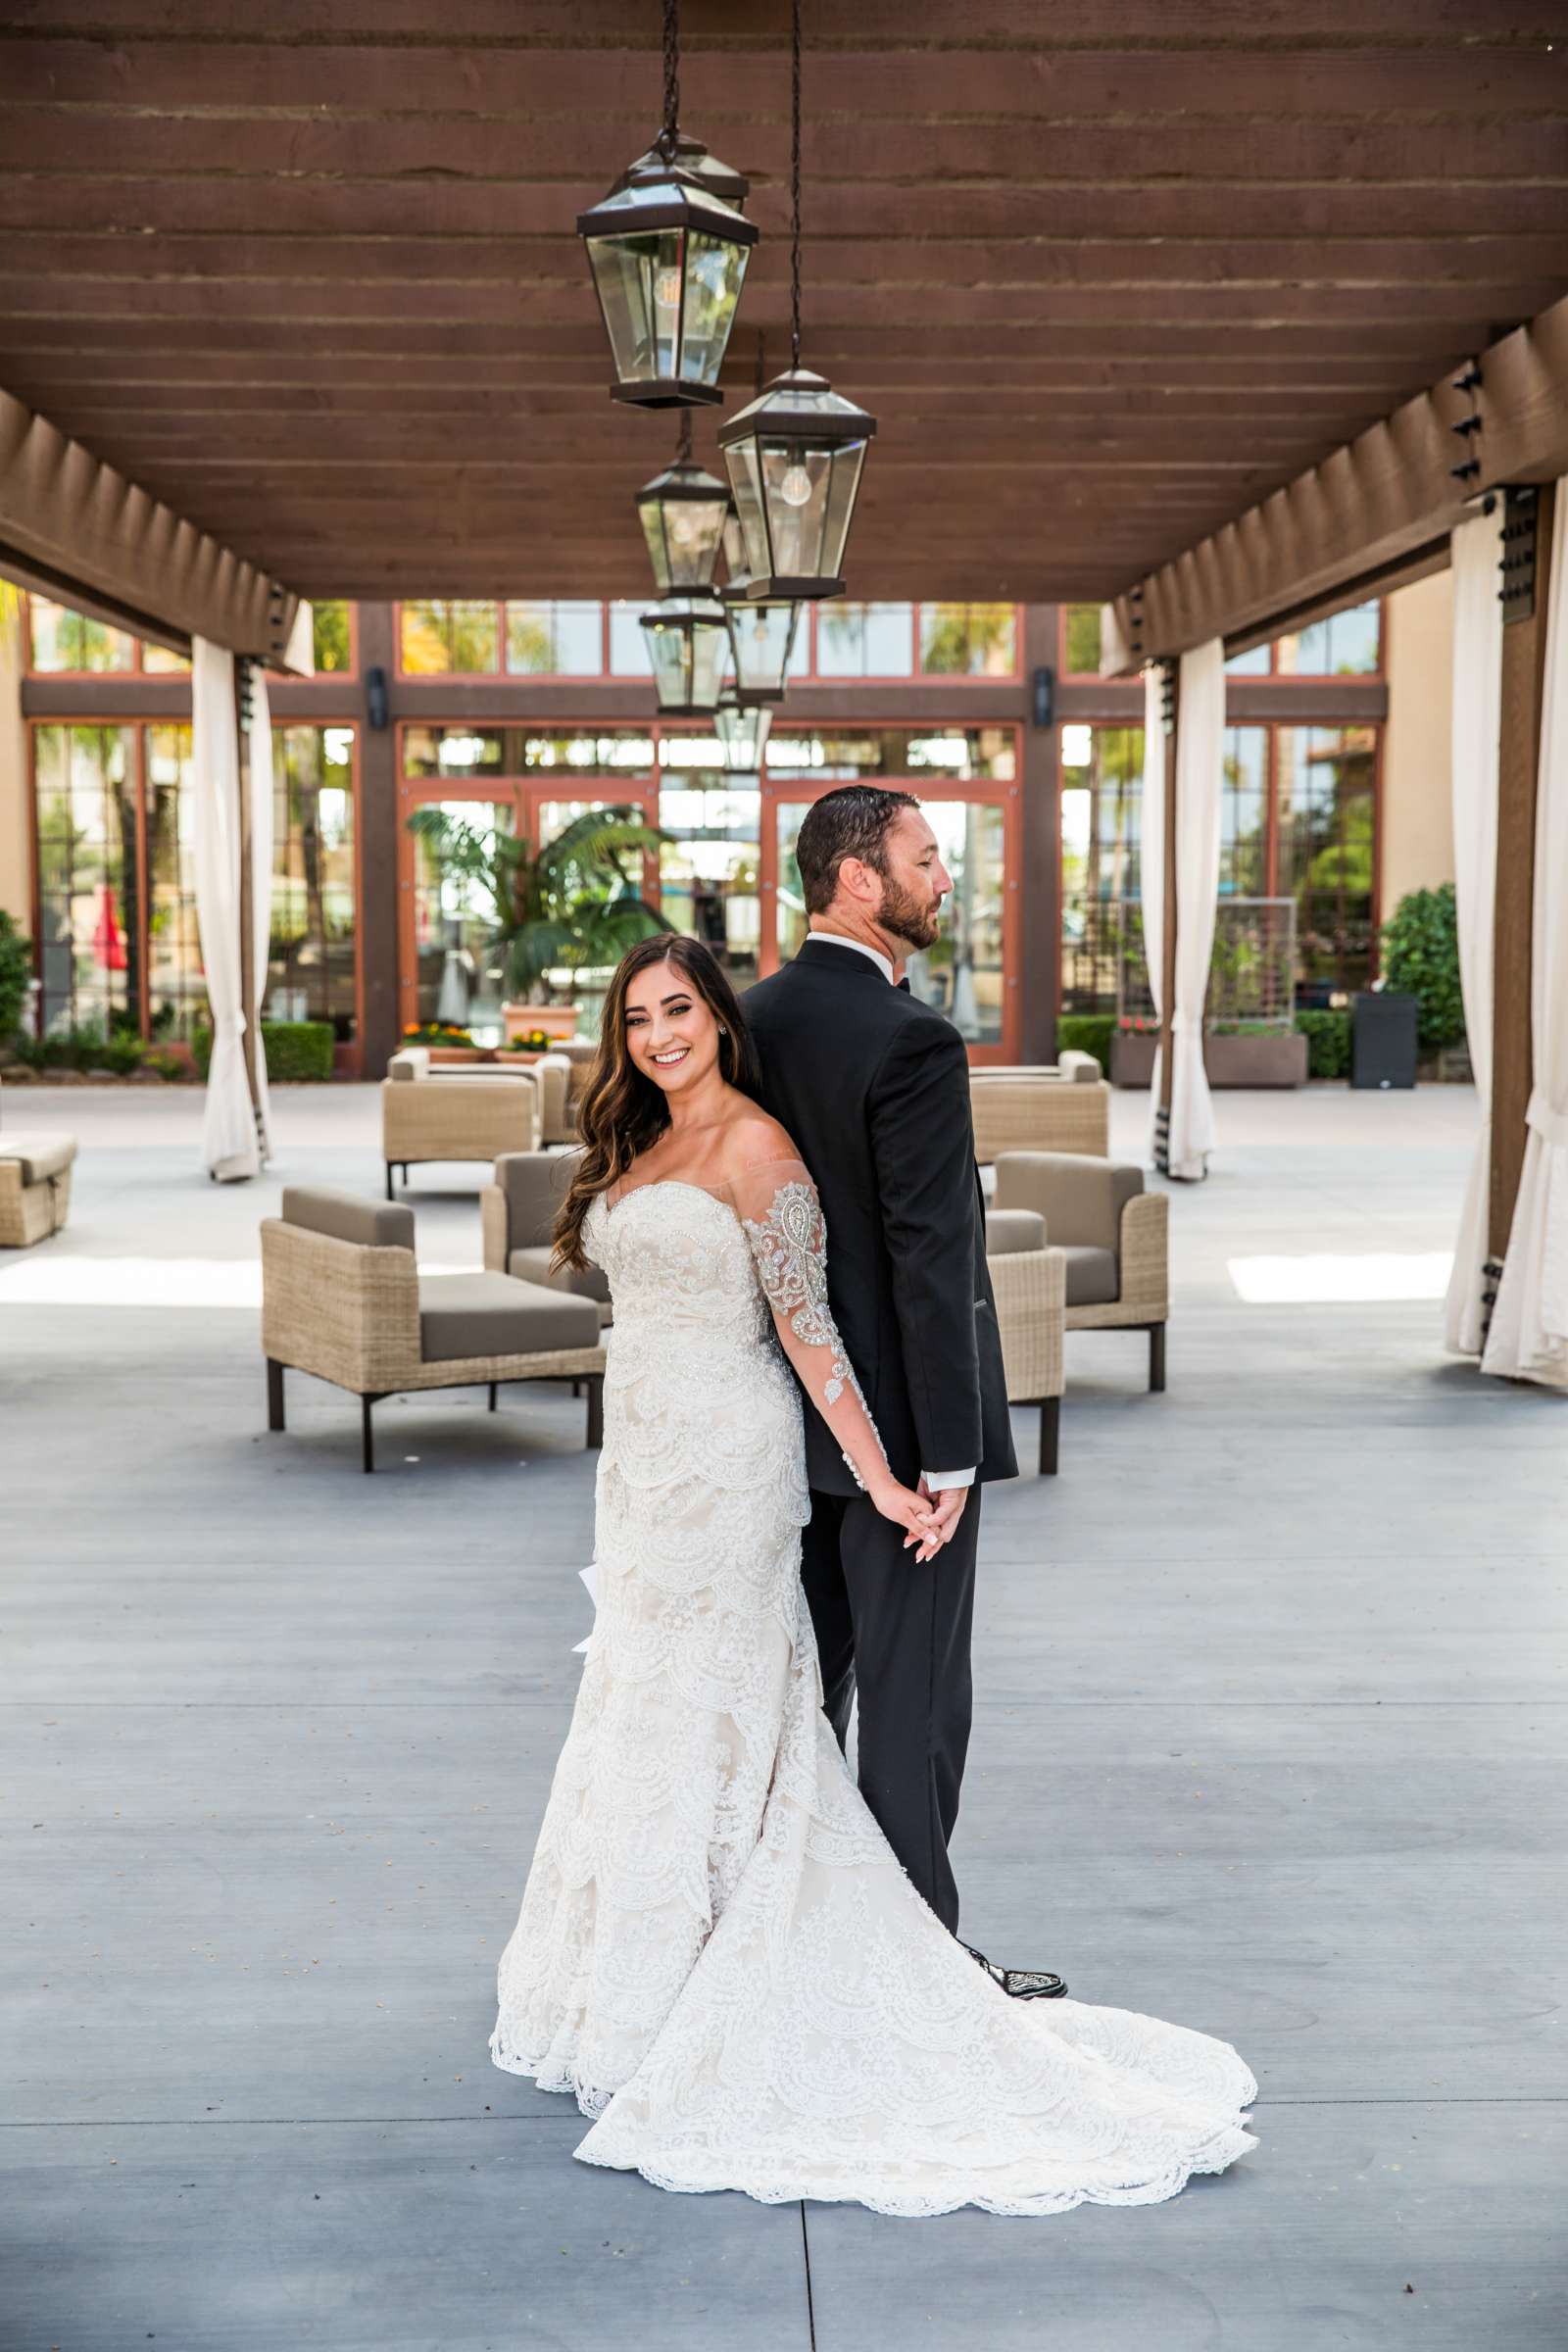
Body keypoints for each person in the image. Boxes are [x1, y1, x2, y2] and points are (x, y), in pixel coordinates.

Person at [489, 931, 1258, 2217]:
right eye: (636, 1020)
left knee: (717, 1704)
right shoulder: (639, 1142)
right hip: (644, 1474)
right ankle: (641, 1966)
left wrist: (892, 1476)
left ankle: (748, 1969)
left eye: (679, 1011)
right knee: (640, 1707)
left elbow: (809, 1329)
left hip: (732, 1473)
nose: (660, 1036)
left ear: (722, 1021)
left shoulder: (755, 1148)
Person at [743, 785, 1021, 1960]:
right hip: (903, 1446)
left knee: (791, 1707)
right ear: (860, 880)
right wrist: (946, 1456)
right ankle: (917, 1979)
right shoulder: (910, 1039)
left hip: (772, 1426)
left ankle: (771, 1949)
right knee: (909, 1719)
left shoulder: (743, 1023)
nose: (943, 878)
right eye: (925, 857)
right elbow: (928, 1260)